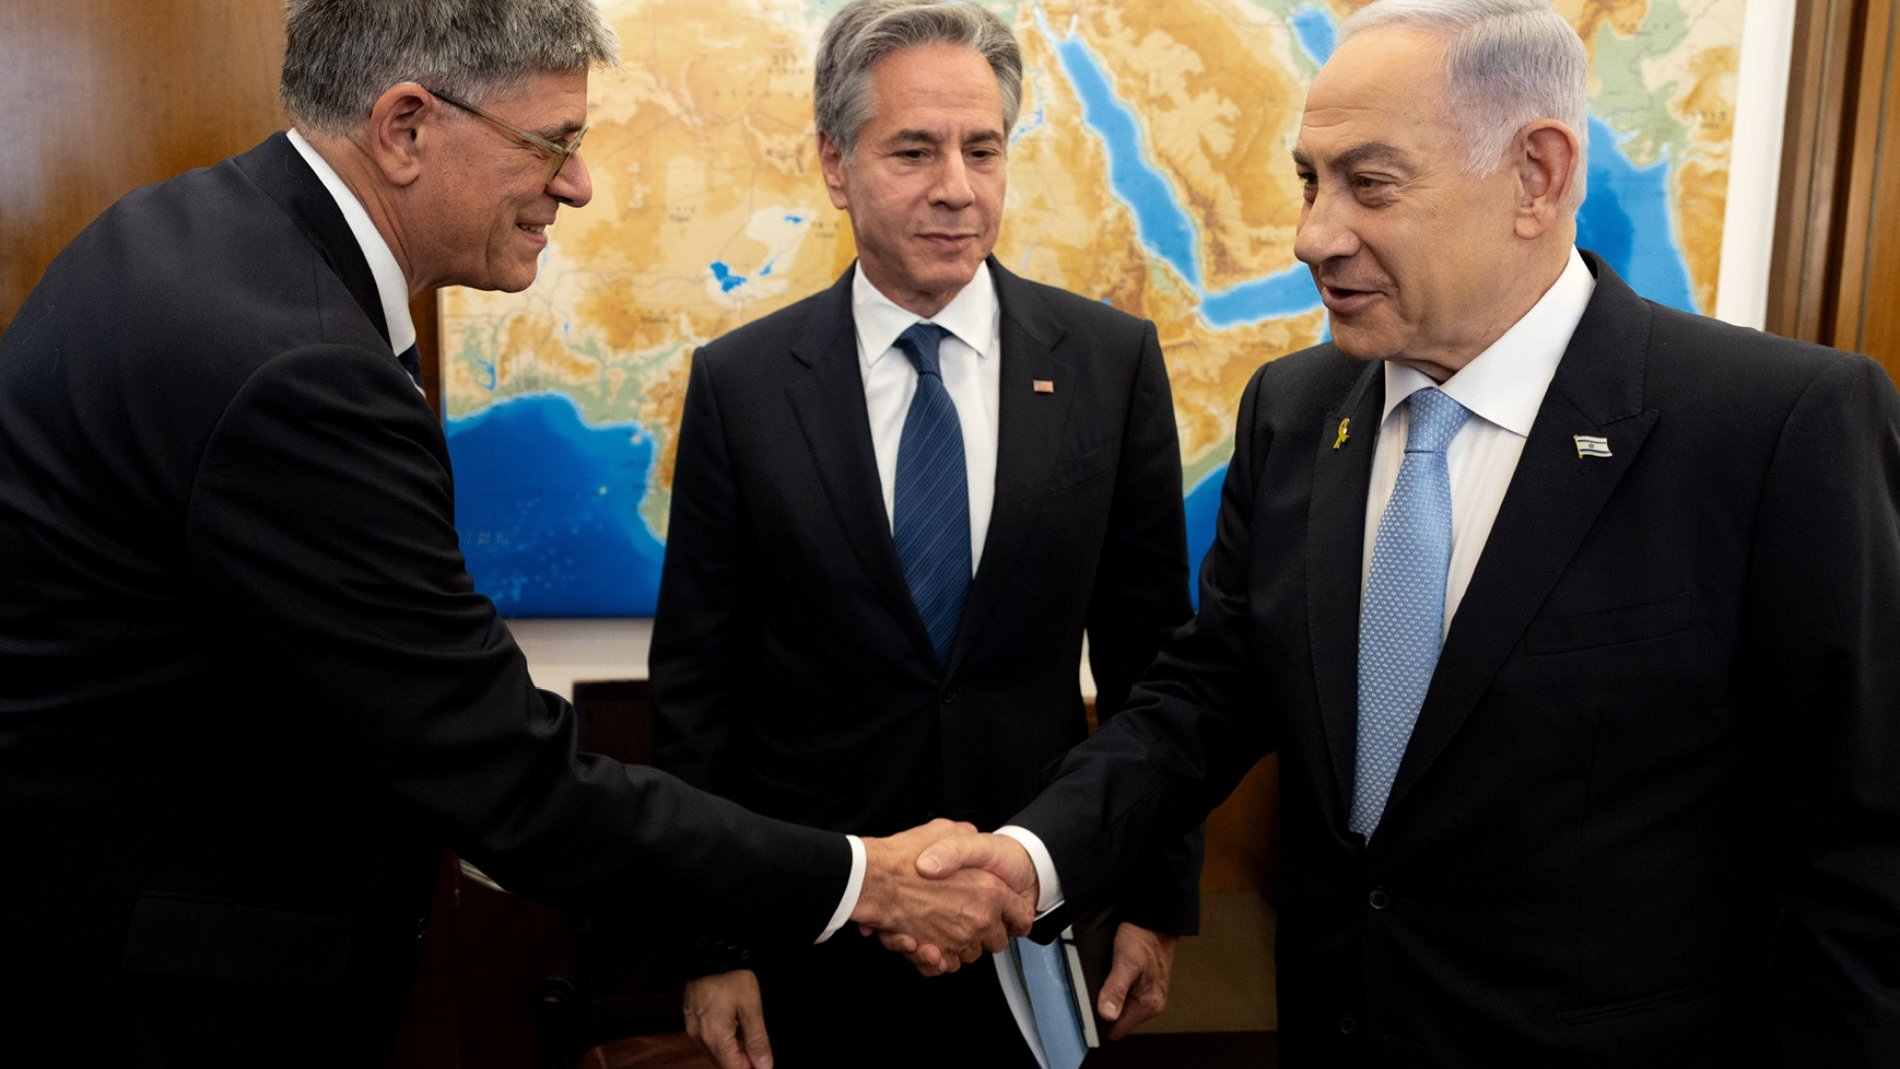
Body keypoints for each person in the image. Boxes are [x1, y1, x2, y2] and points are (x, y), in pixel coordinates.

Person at [0, 2, 1027, 1065]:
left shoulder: (184, 232)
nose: (576, 184)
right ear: (405, 128)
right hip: (156, 1003)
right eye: (552, 141)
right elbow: (507, 778)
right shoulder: (298, 370)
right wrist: (865, 880)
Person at [918, 0, 1900, 1064]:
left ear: (1536, 175)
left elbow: (1864, 851)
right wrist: (1034, 855)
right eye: (1310, 180)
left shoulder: (1772, 429)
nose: (1312, 235)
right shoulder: (1294, 412)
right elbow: (1207, 697)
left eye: (1370, 184)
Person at [648, 1, 1200, 1066]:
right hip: (814, 934)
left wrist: (1154, 901)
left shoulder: (1109, 362)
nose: (957, 186)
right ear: (835, 163)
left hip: (1036, 923)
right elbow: (698, 687)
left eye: (982, 149)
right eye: (913, 151)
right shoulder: (742, 385)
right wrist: (713, 946)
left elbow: (1156, 667)